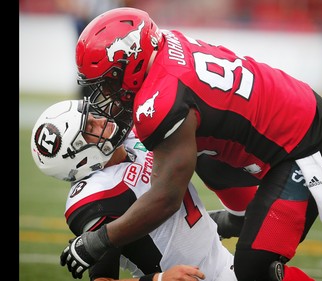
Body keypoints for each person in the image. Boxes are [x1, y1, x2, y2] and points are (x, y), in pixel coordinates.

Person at [60, 7, 322, 281]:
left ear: (132, 61)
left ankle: (245, 227)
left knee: (254, 269)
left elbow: (166, 199)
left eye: (110, 81)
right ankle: (239, 218)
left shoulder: (161, 99)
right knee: (199, 141)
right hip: (297, 114)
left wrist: (96, 242)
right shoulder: (164, 44)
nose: (108, 92)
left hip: (306, 146)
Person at [30, 99, 237, 281]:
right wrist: (159, 279)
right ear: (79, 157)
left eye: (93, 116)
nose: (102, 121)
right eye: (90, 128)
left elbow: (176, 225)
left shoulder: (134, 138)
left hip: (226, 263)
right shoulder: (98, 197)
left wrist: (232, 221)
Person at [55, 0, 133, 99]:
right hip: (88, 21)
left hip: (106, 22)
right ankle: (91, 95)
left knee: (105, 63)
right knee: (89, 63)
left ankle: (98, 94)